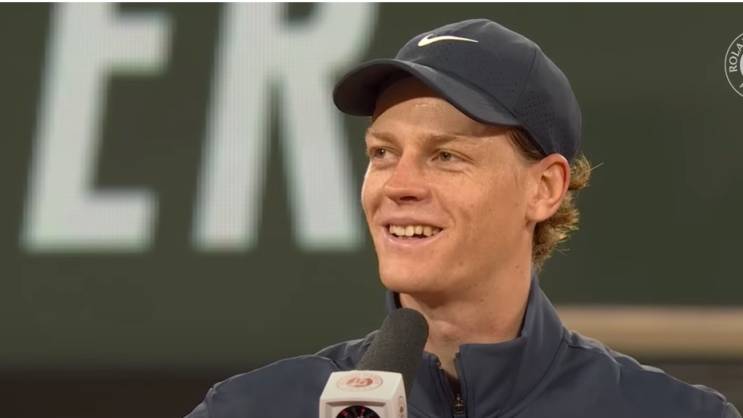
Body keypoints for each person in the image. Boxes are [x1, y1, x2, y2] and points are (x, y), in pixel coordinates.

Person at [185, 19, 740, 418]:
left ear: (544, 188)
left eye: (446, 156)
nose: (398, 185)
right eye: (382, 153)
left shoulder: (668, 412)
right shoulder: (252, 408)